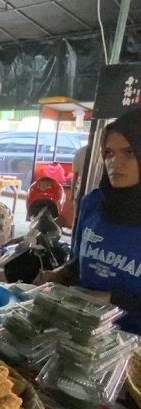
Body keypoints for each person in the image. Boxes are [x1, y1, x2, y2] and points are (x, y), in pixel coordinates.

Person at [35, 107, 141, 334]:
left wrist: (114, 299)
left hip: (134, 347)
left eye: (129, 152)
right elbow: (80, 262)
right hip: (83, 330)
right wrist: (60, 274)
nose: (115, 163)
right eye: (109, 153)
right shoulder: (93, 203)